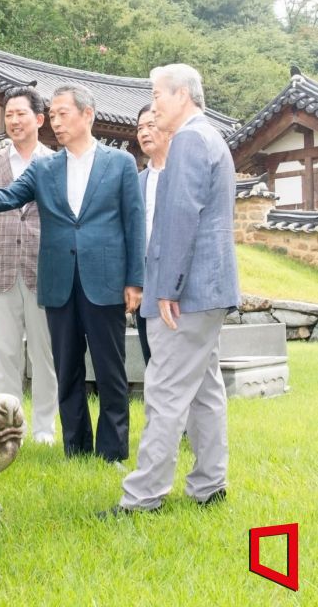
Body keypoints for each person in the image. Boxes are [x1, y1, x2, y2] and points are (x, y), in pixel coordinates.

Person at [0, 83, 145, 464]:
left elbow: (134, 223)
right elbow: (8, 196)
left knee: (110, 369)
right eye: (52, 116)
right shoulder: (45, 167)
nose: (55, 122)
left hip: (104, 280)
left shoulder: (119, 163)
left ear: (87, 115)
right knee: (67, 367)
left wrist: (134, 280)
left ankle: (112, 450)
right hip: (58, 282)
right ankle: (76, 448)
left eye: (62, 114)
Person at [105, 63, 239, 516]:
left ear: (182, 95)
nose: (153, 103)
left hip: (187, 292)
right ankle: (209, 484)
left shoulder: (188, 140)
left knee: (164, 391)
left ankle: (142, 498)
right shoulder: (209, 138)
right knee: (203, 389)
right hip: (209, 290)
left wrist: (169, 287)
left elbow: (181, 218)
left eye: (157, 94)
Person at [0, 86, 58, 444]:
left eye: (20, 114)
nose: (13, 121)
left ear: (39, 119)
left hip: (44, 269)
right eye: (8, 114)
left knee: (45, 353)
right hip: (0, 266)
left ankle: (43, 428)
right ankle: (4, 429)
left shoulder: (56, 162)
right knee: (4, 352)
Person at [135, 103, 172, 365]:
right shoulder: (137, 180)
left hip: (176, 277)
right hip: (145, 279)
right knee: (152, 356)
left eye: (151, 125)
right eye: (139, 128)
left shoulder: (183, 173)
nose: (144, 132)